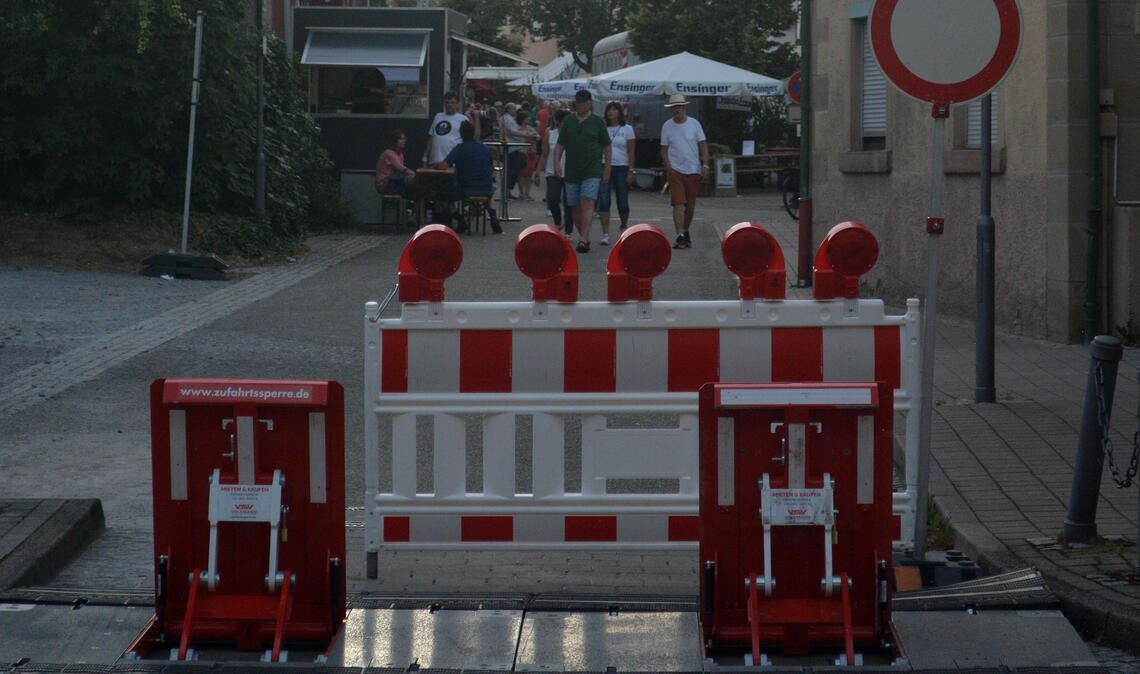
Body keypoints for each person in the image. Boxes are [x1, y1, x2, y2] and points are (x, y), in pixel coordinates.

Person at [554, 89, 611, 253]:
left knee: (587, 200)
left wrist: (606, 169)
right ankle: (583, 235)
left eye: (582, 103)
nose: (579, 106)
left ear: (589, 103)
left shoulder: (597, 122)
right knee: (573, 205)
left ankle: (583, 239)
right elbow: (560, 145)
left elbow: (607, 147)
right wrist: (556, 162)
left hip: (592, 169)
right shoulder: (569, 121)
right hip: (572, 169)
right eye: (577, 103)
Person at [659, 93, 709, 250]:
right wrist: (669, 167)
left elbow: (703, 144)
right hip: (676, 170)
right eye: (674, 107)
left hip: (693, 169)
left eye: (679, 106)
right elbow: (664, 149)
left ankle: (685, 230)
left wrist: (705, 164)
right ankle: (680, 234)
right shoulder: (667, 126)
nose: (677, 109)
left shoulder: (694, 124)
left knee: (690, 206)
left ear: (684, 107)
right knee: (678, 203)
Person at [441, 121, 502, 234]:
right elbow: (491, 166)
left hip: (466, 188)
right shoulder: (484, 148)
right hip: (485, 187)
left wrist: (436, 165)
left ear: (461, 134)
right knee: (490, 194)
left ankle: (460, 220)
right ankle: (493, 216)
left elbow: (444, 165)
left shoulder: (459, 149)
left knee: (445, 198)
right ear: (473, 133)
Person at [597, 101, 636, 245]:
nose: (611, 112)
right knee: (604, 200)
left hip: (622, 166)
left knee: (623, 201)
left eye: (614, 109)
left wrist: (631, 170)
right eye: (609, 110)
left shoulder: (628, 129)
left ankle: (624, 225)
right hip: (604, 165)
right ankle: (605, 233)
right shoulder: (603, 128)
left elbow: (631, 152)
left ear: (620, 112)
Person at [536, 109, 569, 235]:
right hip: (552, 172)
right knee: (553, 199)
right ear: (557, 121)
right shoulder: (549, 133)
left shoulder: (573, 134)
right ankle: (558, 221)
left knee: (568, 203)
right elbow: (544, 154)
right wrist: (538, 171)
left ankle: (568, 230)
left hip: (569, 172)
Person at [426, 92, 471, 166]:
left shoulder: (463, 119)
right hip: (434, 162)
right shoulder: (438, 116)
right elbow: (431, 138)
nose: (450, 105)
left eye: (453, 103)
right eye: (447, 102)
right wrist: (426, 156)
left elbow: (468, 141)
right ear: (444, 104)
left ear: (457, 104)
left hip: (452, 163)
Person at [375, 130, 415, 196]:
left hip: (395, 181)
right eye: (401, 139)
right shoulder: (389, 153)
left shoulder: (401, 155)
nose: (404, 141)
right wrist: (416, 175)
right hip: (384, 184)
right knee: (411, 179)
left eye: (405, 139)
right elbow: (403, 169)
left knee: (416, 188)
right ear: (395, 140)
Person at [515, 112, 540, 201]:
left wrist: (533, 136)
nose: (529, 119)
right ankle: (521, 193)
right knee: (521, 173)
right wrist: (529, 137)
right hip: (522, 153)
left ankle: (527, 193)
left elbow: (538, 137)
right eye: (527, 118)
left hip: (532, 152)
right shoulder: (517, 129)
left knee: (529, 174)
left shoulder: (531, 129)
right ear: (522, 119)